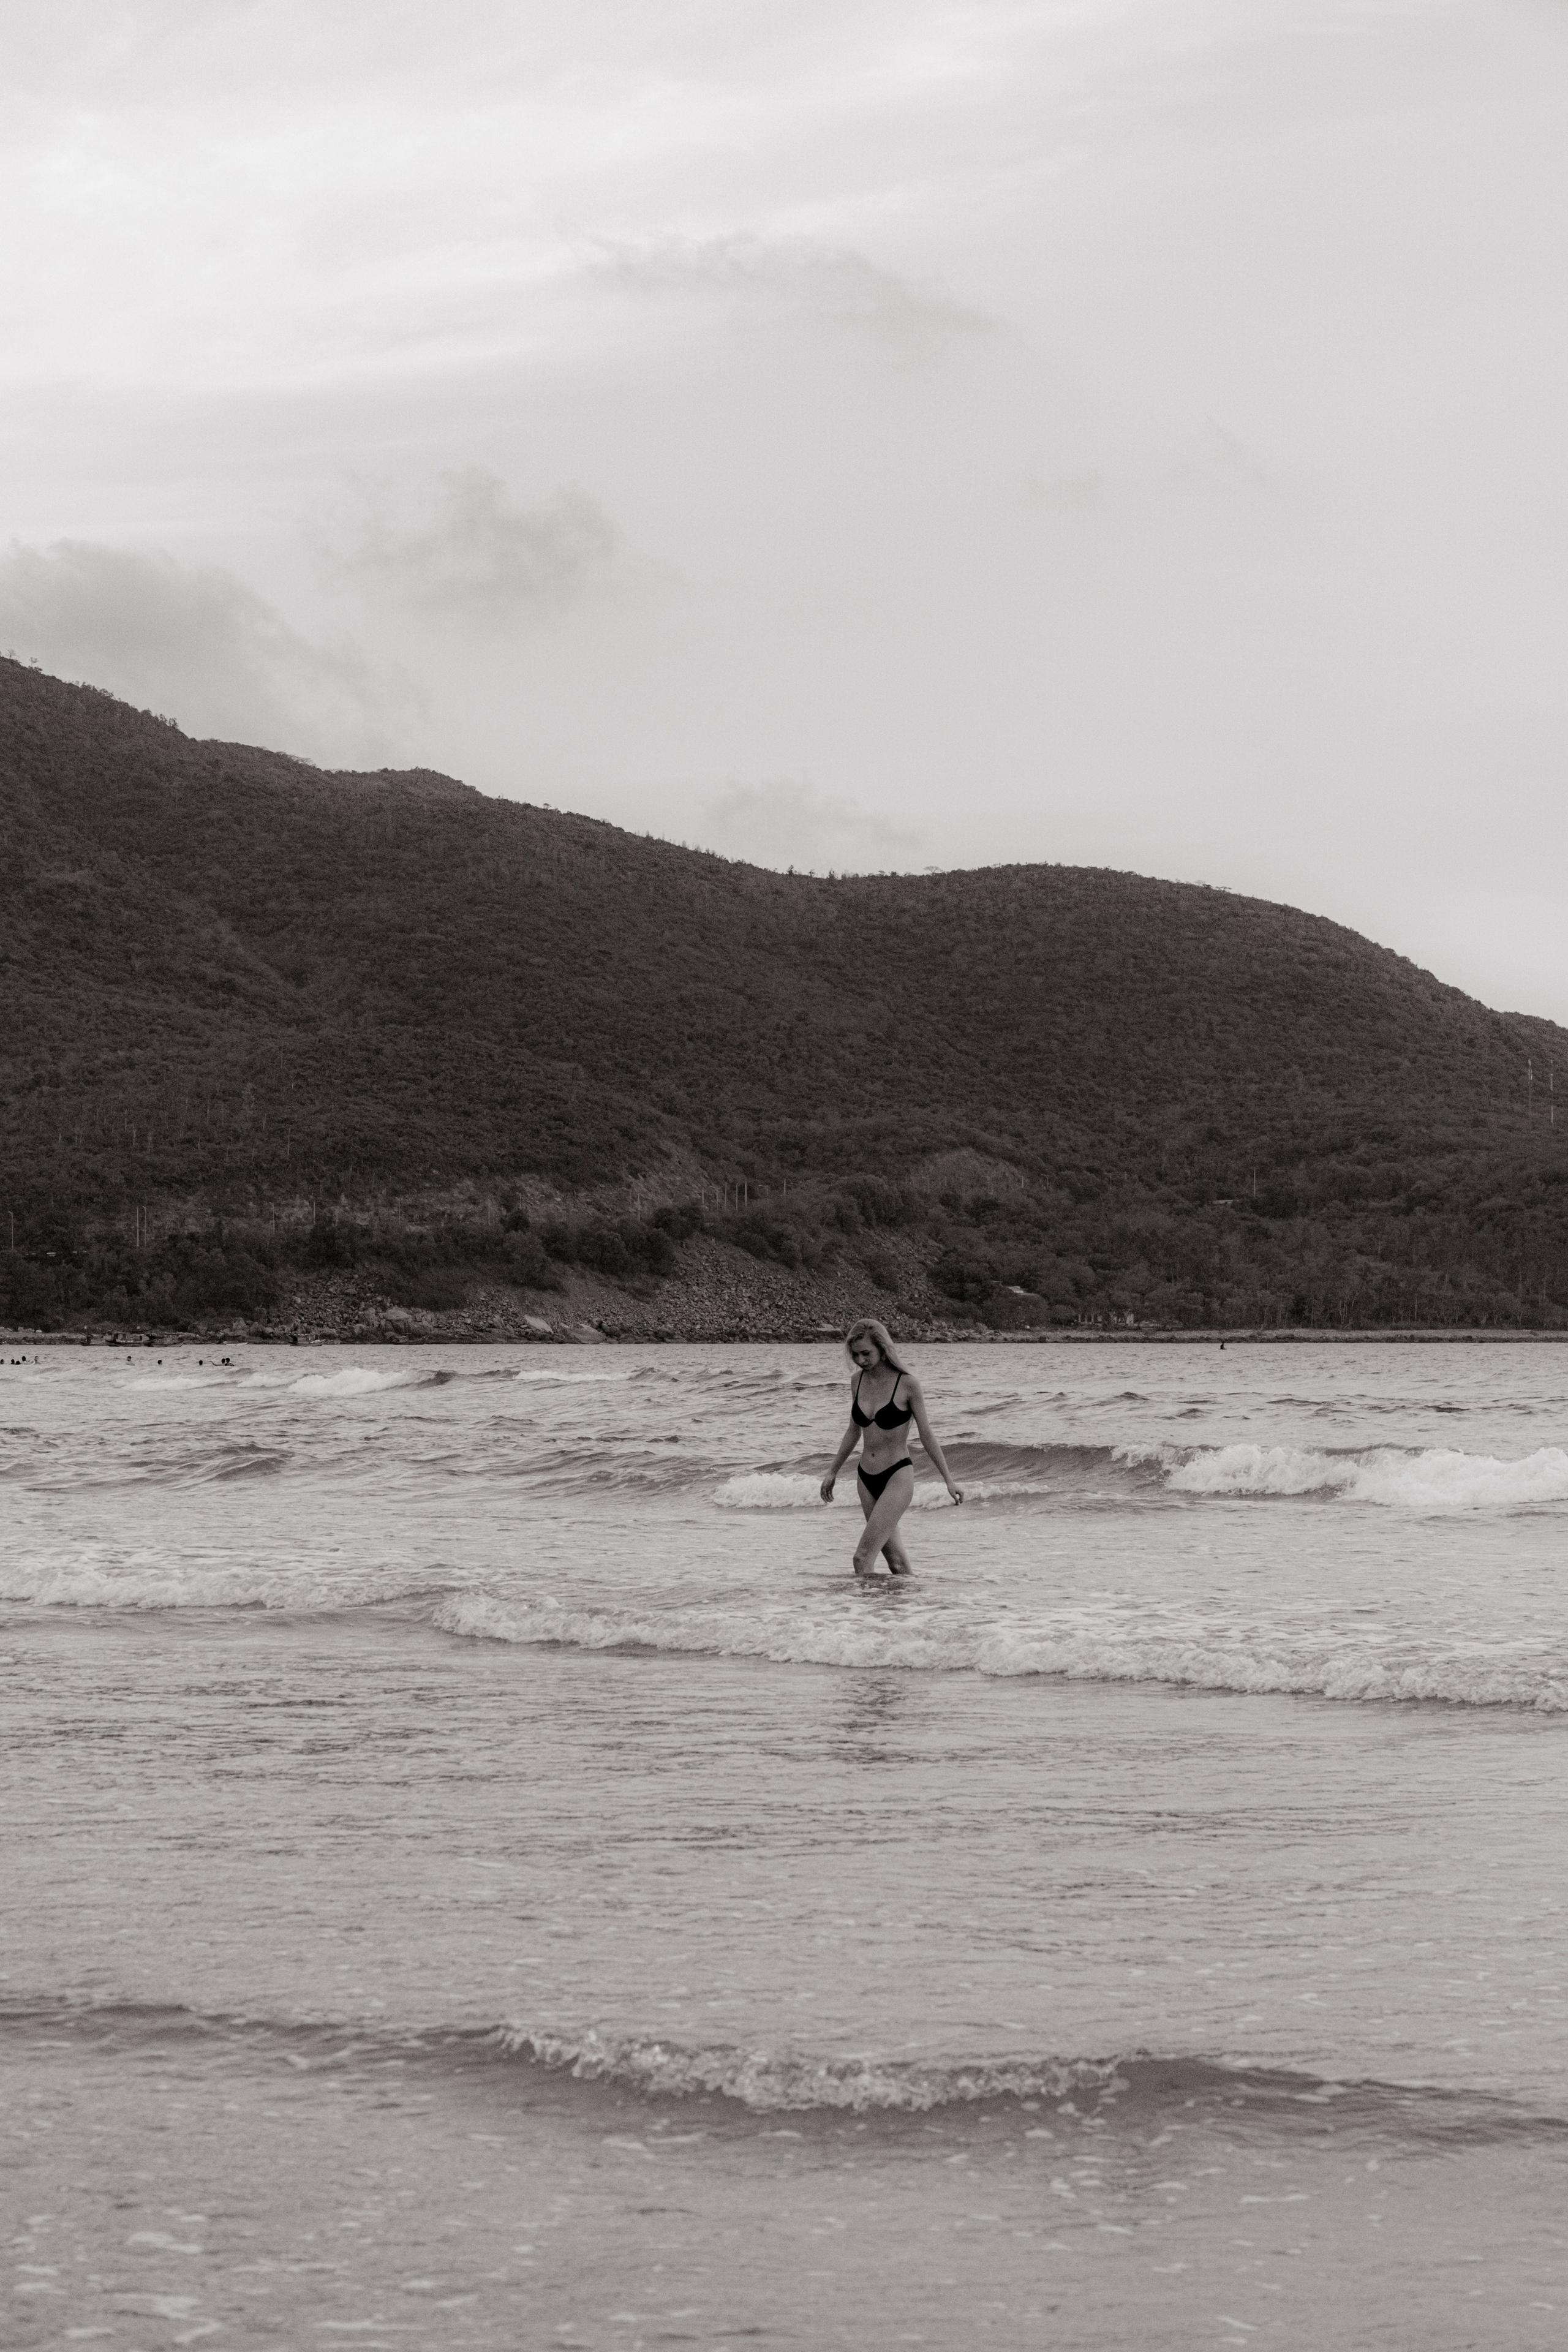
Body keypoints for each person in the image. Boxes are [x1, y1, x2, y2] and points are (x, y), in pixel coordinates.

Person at [819, 1318, 963, 1576]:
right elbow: (853, 1430)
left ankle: (863, 1616)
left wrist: (949, 1480)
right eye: (855, 1355)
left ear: (883, 1349)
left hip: (897, 1475)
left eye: (866, 1353)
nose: (861, 1360)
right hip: (865, 1478)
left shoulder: (908, 1383)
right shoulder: (857, 1381)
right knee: (897, 1564)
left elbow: (927, 1433)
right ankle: (906, 1612)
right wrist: (833, 1471)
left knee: (862, 1559)